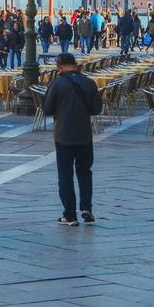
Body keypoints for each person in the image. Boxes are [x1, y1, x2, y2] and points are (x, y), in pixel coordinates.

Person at [41, 54, 102, 225]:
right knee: (84, 171)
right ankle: (86, 208)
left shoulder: (57, 83)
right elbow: (96, 109)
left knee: (65, 175)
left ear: (59, 67)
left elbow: (47, 109)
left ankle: (69, 214)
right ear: (75, 65)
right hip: (84, 134)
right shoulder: (89, 83)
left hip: (63, 135)